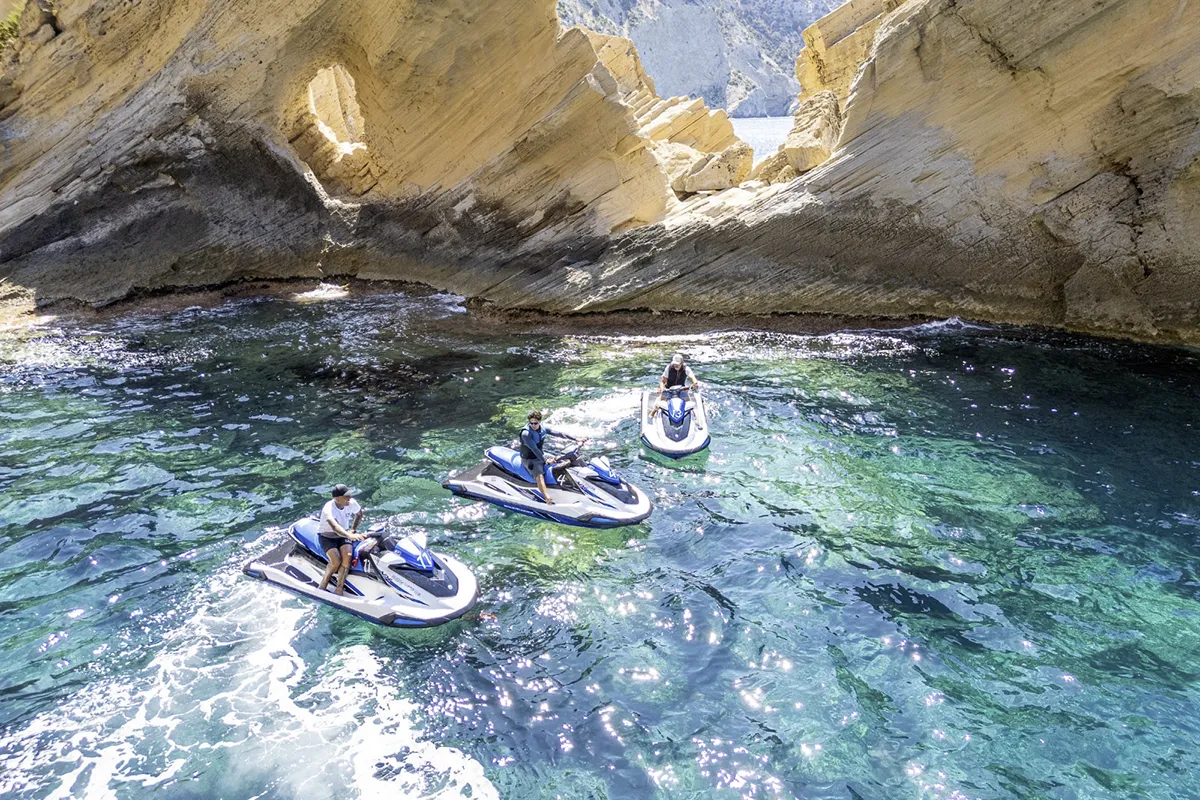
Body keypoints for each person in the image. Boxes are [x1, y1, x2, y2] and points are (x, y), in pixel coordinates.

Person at [519, 410, 584, 505]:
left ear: (540, 421)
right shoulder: (526, 433)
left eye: (535, 423)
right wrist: (545, 460)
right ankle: (547, 498)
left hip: (540, 454)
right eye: (531, 423)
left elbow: (559, 433)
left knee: (562, 461)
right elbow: (534, 449)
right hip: (530, 458)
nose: (533, 425)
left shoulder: (543, 429)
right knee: (539, 475)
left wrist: (576, 438)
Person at [317, 483, 365, 595]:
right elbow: (335, 527)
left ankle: (339, 588)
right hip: (327, 536)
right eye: (346, 496)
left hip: (343, 535)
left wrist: (353, 530)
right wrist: (350, 536)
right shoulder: (328, 508)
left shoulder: (351, 503)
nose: (349, 499)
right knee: (336, 561)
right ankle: (323, 583)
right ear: (337, 499)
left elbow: (359, 514)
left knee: (347, 557)